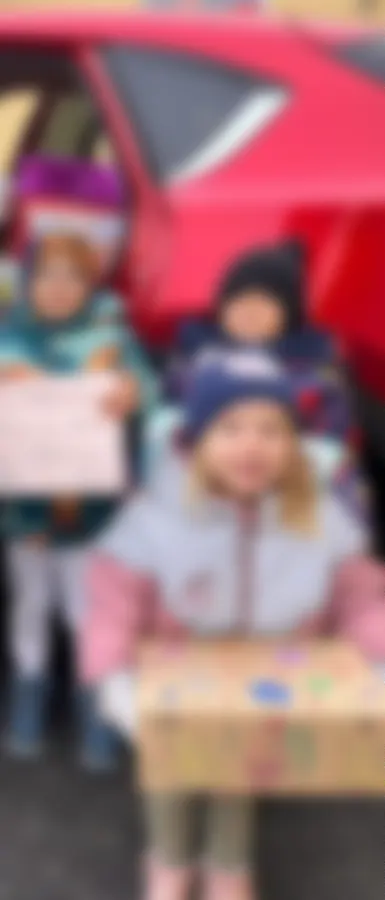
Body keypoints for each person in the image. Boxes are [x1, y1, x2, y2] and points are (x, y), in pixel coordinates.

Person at [78, 349, 385, 900]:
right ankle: (170, 863)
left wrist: (375, 660)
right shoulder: (159, 514)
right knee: (173, 778)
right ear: (197, 442)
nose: (251, 445)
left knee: (235, 776)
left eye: (271, 430)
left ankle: (228, 865)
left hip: (268, 683)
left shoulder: (317, 513)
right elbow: (113, 599)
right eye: (231, 428)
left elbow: (359, 594)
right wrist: (113, 678)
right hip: (174, 687)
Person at [0, 232, 156, 770]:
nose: (60, 289)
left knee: (87, 610)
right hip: (26, 513)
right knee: (30, 606)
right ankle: (30, 692)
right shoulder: (10, 338)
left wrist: (130, 394)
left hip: (92, 512)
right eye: (47, 276)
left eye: (73, 277)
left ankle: (96, 708)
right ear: (28, 283)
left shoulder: (108, 338)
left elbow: (149, 401)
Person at [159, 240, 361, 502]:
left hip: (285, 497)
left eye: (265, 303)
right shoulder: (191, 366)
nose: (250, 312)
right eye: (240, 301)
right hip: (196, 493)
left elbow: (334, 453)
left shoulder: (315, 378)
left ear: (288, 312)